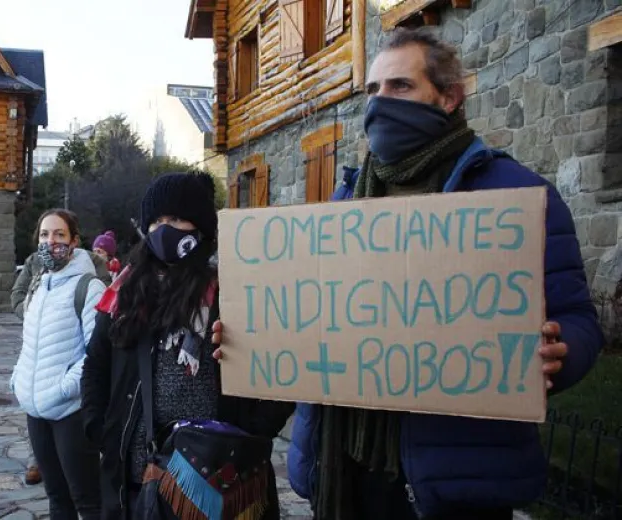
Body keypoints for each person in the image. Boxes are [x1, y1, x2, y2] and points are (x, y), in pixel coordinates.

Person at [213, 27, 603, 520]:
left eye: (400, 86)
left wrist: (560, 350)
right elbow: (312, 313)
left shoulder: (516, 197)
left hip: (453, 485)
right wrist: (254, 337)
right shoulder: (344, 201)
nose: (380, 103)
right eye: (373, 90)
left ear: (448, 97)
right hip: (346, 473)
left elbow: (578, 318)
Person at [80, 172, 295, 520]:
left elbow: (280, 367)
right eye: (157, 221)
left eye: (177, 218)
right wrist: (100, 429)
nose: (165, 229)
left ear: (201, 228)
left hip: (219, 481)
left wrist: (254, 435)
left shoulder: (233, 293)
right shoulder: (123, 293)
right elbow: (95, 365)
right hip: (136, 482)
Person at [10, 208, 105, 520]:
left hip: (69, 411)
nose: (51, 242)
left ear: (74, 241)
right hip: (36, 410)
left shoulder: (89, 286)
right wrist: (19, 379)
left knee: (86, 500)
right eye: (44, 235)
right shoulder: (39, 285)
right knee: (56, 497)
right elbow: (30, 343)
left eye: (59, 235)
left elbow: (97, 352)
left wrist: (65, 387)